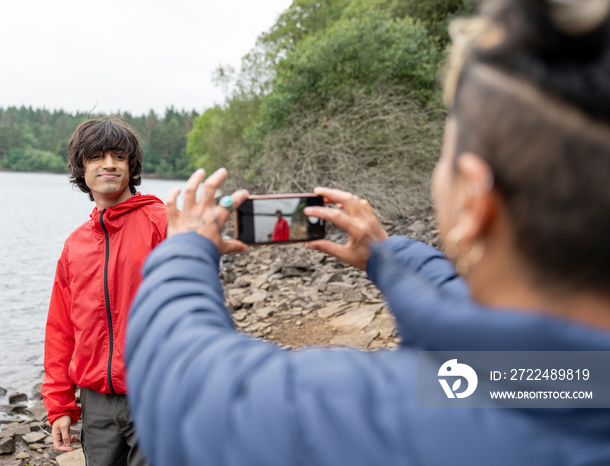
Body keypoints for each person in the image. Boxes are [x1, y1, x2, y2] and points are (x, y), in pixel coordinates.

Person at [125, 1, 610, 465]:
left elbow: (187, 389)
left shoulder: (394, 416)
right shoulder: (570, 381)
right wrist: (388, 257)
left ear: (474, 200)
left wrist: (185, 248)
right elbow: (503, 350)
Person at [43, 116, 166, 465]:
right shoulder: (75, 245)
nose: (109, 164)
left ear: (131, 166)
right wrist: (60, 405)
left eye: (118, 156)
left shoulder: (162, 222)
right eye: (97, 156)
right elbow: (61, 331)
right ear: (82, 168)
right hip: (96, 404)